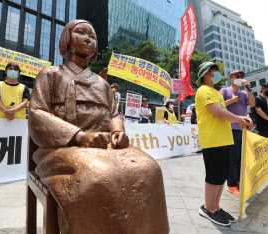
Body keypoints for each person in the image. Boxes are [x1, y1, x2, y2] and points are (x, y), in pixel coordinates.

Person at [28, 20, 169, 233]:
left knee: (149, 169)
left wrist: (118, 132)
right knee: (98, 174)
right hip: (60, 149)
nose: (87, 39)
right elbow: (37, 113)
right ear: (67, 38)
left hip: (104, 148)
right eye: (80, 33)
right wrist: (79, 136)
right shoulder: (50, 75)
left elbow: (114, 114)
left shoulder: (102, 84)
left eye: (92, 36)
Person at [195, 61, 252, 226]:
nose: (218, 73)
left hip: (226, 138)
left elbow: (224, 111)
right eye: (215, 71)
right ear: (206, 74)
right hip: (213, 140)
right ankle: (208, 208)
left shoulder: (216, 92)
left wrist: (241, 120)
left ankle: (216, 207)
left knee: (222, 177)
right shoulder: (204, 90)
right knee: (214, 176)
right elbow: (218, 112)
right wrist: (240, 119)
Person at [220, 70, 255, 196]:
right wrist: (232, 100)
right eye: (237, 76)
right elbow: (217, 106)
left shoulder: (245, 93)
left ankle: (238, 181)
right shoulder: (225, 91)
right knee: (233, 158)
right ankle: (231, 184)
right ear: (231, 79)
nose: (240, 78)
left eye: (242, 77)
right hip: (230, 128)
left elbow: (252, 103)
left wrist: (248, 89)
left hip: (243, 129)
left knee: (241, 157)